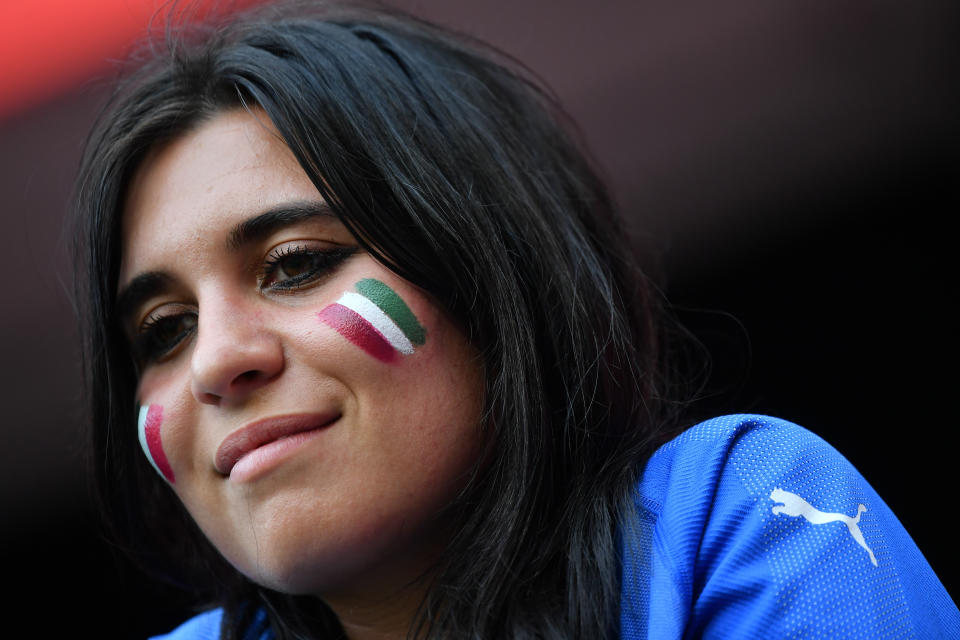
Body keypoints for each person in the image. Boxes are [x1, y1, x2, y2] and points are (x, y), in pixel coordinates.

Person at [72, 1, 959, 638]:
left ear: (489, 274)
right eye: (163, 329)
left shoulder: (736, 520)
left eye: (295, 264)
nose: (217, 360)